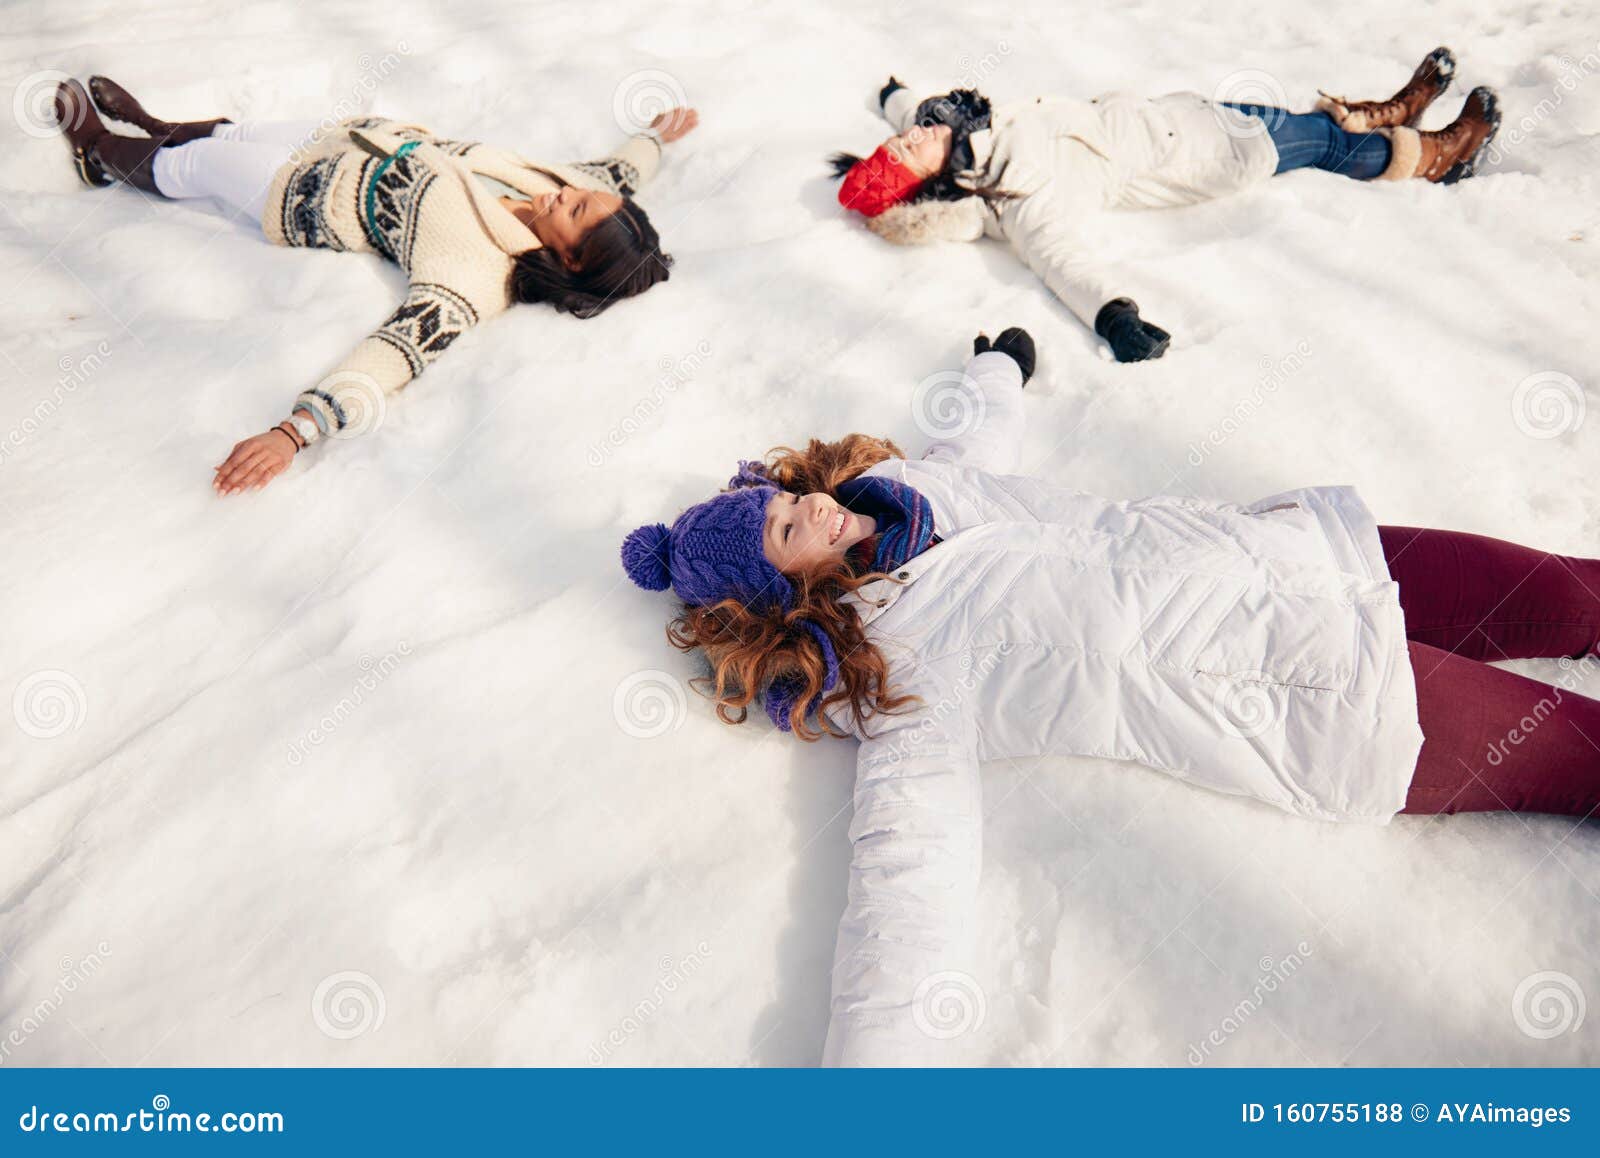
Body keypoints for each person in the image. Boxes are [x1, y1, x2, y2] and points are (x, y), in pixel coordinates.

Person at [620, 328, 1599, 1065]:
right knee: (1583, 751)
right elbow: (904, 879)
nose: (816, 509)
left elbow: (973, 445)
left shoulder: (908, 492)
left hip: (1305, 557)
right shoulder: (900, 675)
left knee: (1573, 591)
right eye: (793, 531)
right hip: (1319, 693)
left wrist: (994, 370)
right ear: (788, 599)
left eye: (790, 500)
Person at [51, 77, 698, 495]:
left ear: (572, 261)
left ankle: (102, 153)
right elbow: (615, 173)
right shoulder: (568, 188)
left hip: (309, 195)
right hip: (356, 139)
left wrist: (295, 431)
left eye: (577, 211)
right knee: (239, 132)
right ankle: (161, 123)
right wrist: (654, 139)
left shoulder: (479, 274)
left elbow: (399, 350)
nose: (569, 193)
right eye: (582, 195)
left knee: (202, 164)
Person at [829, 49, 1499, 363]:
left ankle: (1394, 113)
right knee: (1320, 141)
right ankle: (1437, 157)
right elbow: (1060, 259)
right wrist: (1113, 315)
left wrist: (892, 95)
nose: (914, 134)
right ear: (936, 182)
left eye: (903, 136)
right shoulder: (1015, 196)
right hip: (1205, 158)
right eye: (909, 150)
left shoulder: (961, 128)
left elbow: (913, 108)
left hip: (1183, 113)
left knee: (1299, 121)